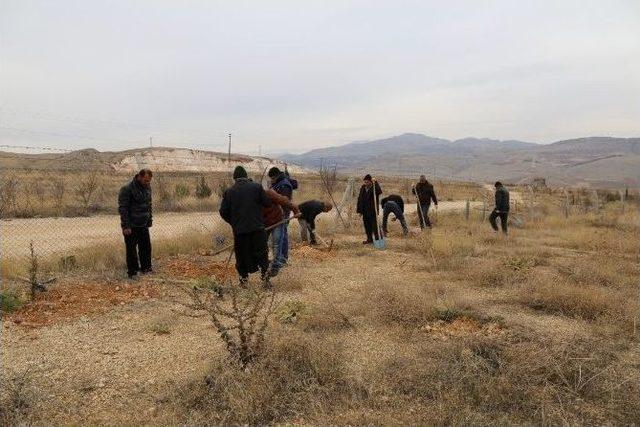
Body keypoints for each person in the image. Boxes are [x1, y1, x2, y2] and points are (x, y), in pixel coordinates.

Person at [220, 166, 273, 287]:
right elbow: (268, 203)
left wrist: (234, 222)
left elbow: (223, 212)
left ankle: (243, 281)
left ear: (235, 178)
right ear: (246, 176)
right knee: (262, 254)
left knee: (241, 256)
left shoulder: (229, 191)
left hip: (240, 231)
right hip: (257, 229)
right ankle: (265, 280)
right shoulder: (256, 187)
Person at [118, 169, 154, 280]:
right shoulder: (127, 189)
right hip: (131, 225)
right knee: (131, 250)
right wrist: (126, 226)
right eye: (146, 180)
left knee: (146, 248)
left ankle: (146, 268)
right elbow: (123, 209)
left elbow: (149, 204)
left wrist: (149, 219)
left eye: (149, 181)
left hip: (143, 224)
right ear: (139, 176)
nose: (147, 183)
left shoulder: (147, 188)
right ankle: (133, 272)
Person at [263, 189, 299, 277]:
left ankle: (275, 265)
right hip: (264, 224)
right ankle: (264, 264)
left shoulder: (268, 193)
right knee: (262, 244)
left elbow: (284, 201)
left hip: (277, 221)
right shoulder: (250, 199)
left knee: (276, 243)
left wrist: (296, 211)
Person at [268, 167, 294, 265]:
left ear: (276, 176)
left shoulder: (284, 185)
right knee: (279, 237)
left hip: (283, 214)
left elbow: (285, 200)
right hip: (276, 214)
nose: (271, 180)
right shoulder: (278, 183)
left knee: (282, 236)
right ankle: (279, 258)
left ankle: (283, 258)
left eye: (272, 178)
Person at [356, 174, 382, 244]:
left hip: (373, 211)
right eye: (365, 182)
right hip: (365, 211)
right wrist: (359, 210)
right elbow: (360, 199)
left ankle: (378, 240)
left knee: (375, 226)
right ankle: (369, 239)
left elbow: (379, 192)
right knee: (367, 226)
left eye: (367, 182)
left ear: (370, 182)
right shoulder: (363, 188)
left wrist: (376, 182)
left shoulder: (374, 188)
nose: (365, 183)